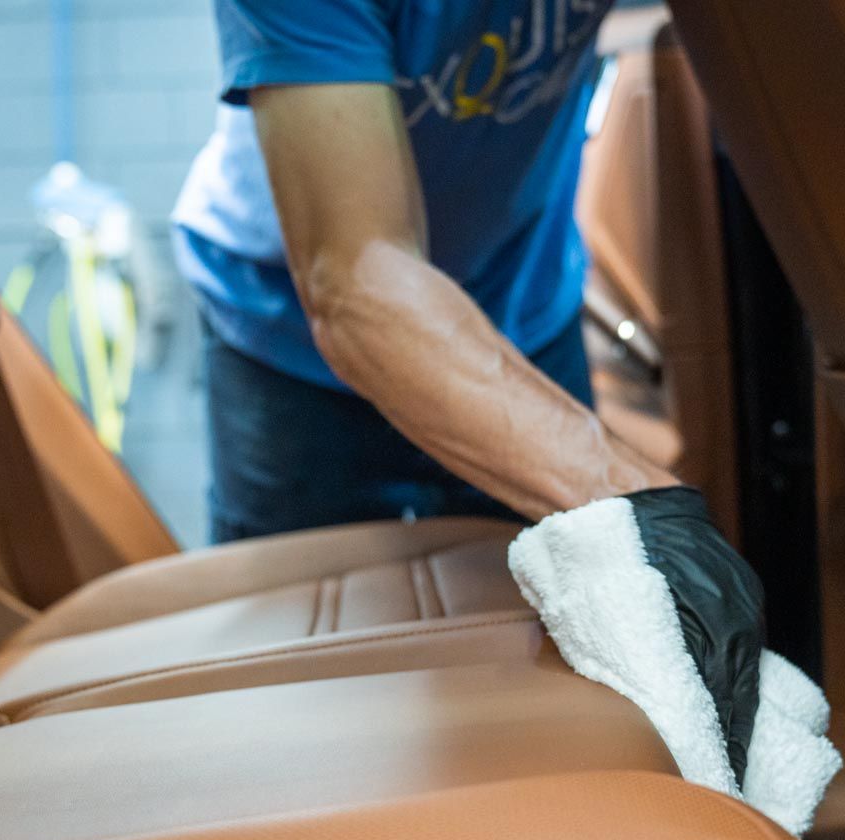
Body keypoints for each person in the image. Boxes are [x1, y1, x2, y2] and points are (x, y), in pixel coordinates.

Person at [172, 0, 780, 789]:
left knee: (565, 651)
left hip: (516, 301)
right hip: (286, 337)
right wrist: (650, 511)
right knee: (295, 698)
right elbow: (358, 280)